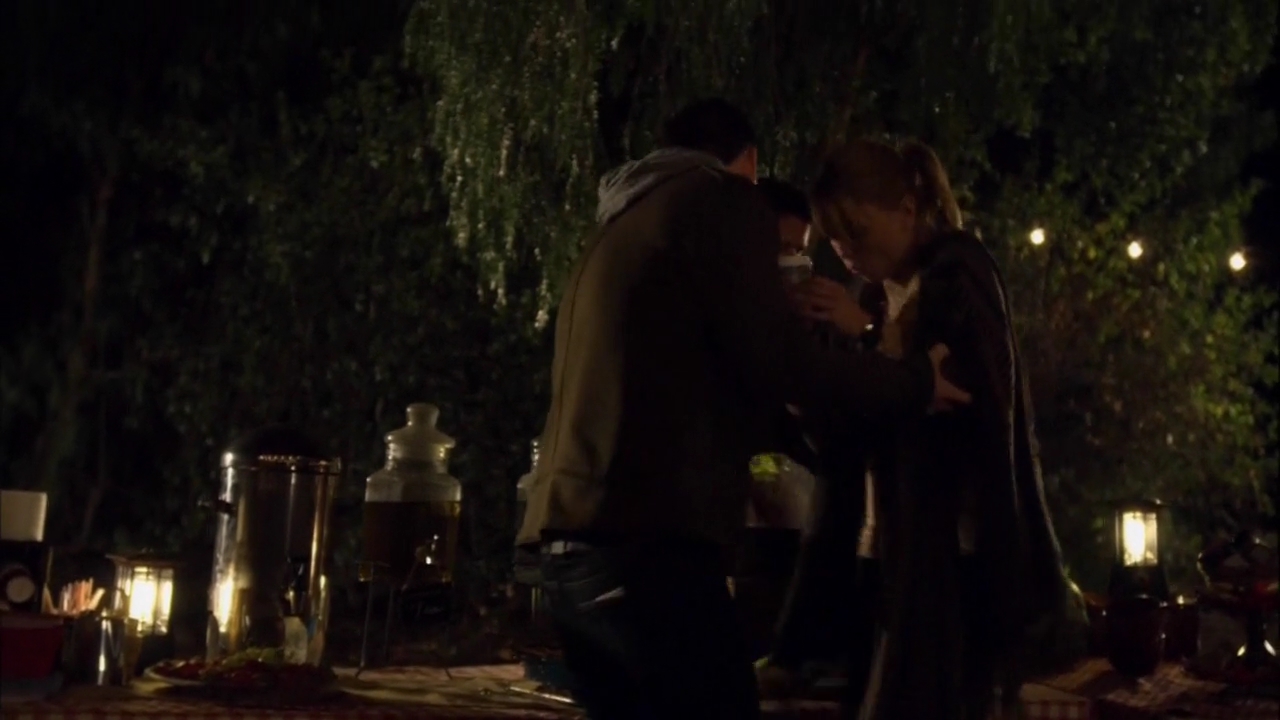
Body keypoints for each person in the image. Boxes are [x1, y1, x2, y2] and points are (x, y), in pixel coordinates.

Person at [516, 100, 970, 720]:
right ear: (749, 163)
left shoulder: (627, 221)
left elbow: (722, 381)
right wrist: (914, 382)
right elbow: (782, 360)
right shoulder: (720, 201)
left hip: (570, 550)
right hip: (649, 552)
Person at [794, 138, 1071, 720]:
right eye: (836, 238)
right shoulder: (877, 293)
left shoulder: (958, 274)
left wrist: (867, 334)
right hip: (889, 544)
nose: (846, 250)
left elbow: (965, 392)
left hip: (952, 550)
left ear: (906, 211)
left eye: (857, 232)